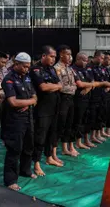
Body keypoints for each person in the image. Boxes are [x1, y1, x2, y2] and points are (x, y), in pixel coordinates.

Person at [1, 52, 37, 191]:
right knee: (14, 149)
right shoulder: (8, 79)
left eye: (28, 67)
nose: (27, 69)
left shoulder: (27, 77)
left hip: (28, 117)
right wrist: (30, 102)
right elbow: (13, 102)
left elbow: (35, 96)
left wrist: (28, 103)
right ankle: (10, 180)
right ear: (16, 64)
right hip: (15, 119)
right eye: (24, 66)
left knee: (29, 146)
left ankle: (25, 170)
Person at [29, 45, 63, 176]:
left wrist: (53, 86)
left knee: (51, 134)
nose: (54, 59)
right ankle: (36, 163)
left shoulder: (52, 69)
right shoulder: (36, 69)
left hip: (54, 106)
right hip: (42, 109)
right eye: (52, 56)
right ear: (44, 56)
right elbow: (43, 87)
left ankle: (49, 157)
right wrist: (55, 86)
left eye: (55, 57)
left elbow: (60, 85)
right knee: (40, 136)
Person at [54, 45, 78, 159]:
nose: (69, 57)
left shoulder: (69, 68)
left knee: (70, 123)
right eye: (67, 54)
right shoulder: (57, 68)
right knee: (61, 124)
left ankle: (69, 146)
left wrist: (72, 88)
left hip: (71, 98)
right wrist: (72, 88)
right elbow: (60, 87)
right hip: (63, 98)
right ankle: (62, 148)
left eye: (70, 54)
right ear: (61, 54)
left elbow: (74, 83)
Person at [71, 52, 94, 150]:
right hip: (78, 99)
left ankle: (85, 139)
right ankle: (77, 142)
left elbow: (92, 81)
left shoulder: (86, 69)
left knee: (86, 119)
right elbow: (79, 84)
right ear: (78, 59)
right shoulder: (73, 69)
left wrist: (88, 88)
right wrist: (89, 85)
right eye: (84, 60)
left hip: (87, 97)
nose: (86, 62)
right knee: (78, 121)